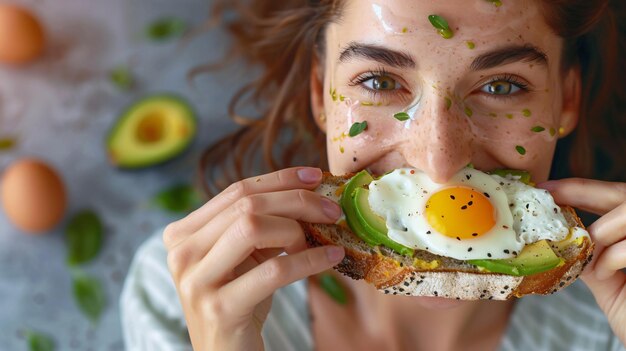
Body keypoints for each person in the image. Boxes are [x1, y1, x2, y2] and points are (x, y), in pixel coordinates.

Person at [121, 0, 626, 350]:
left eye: (501, 87)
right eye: (380, 81)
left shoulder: (611, 322)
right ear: (321, 94)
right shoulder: (186, 297)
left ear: (568, 100)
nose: (440, 159)